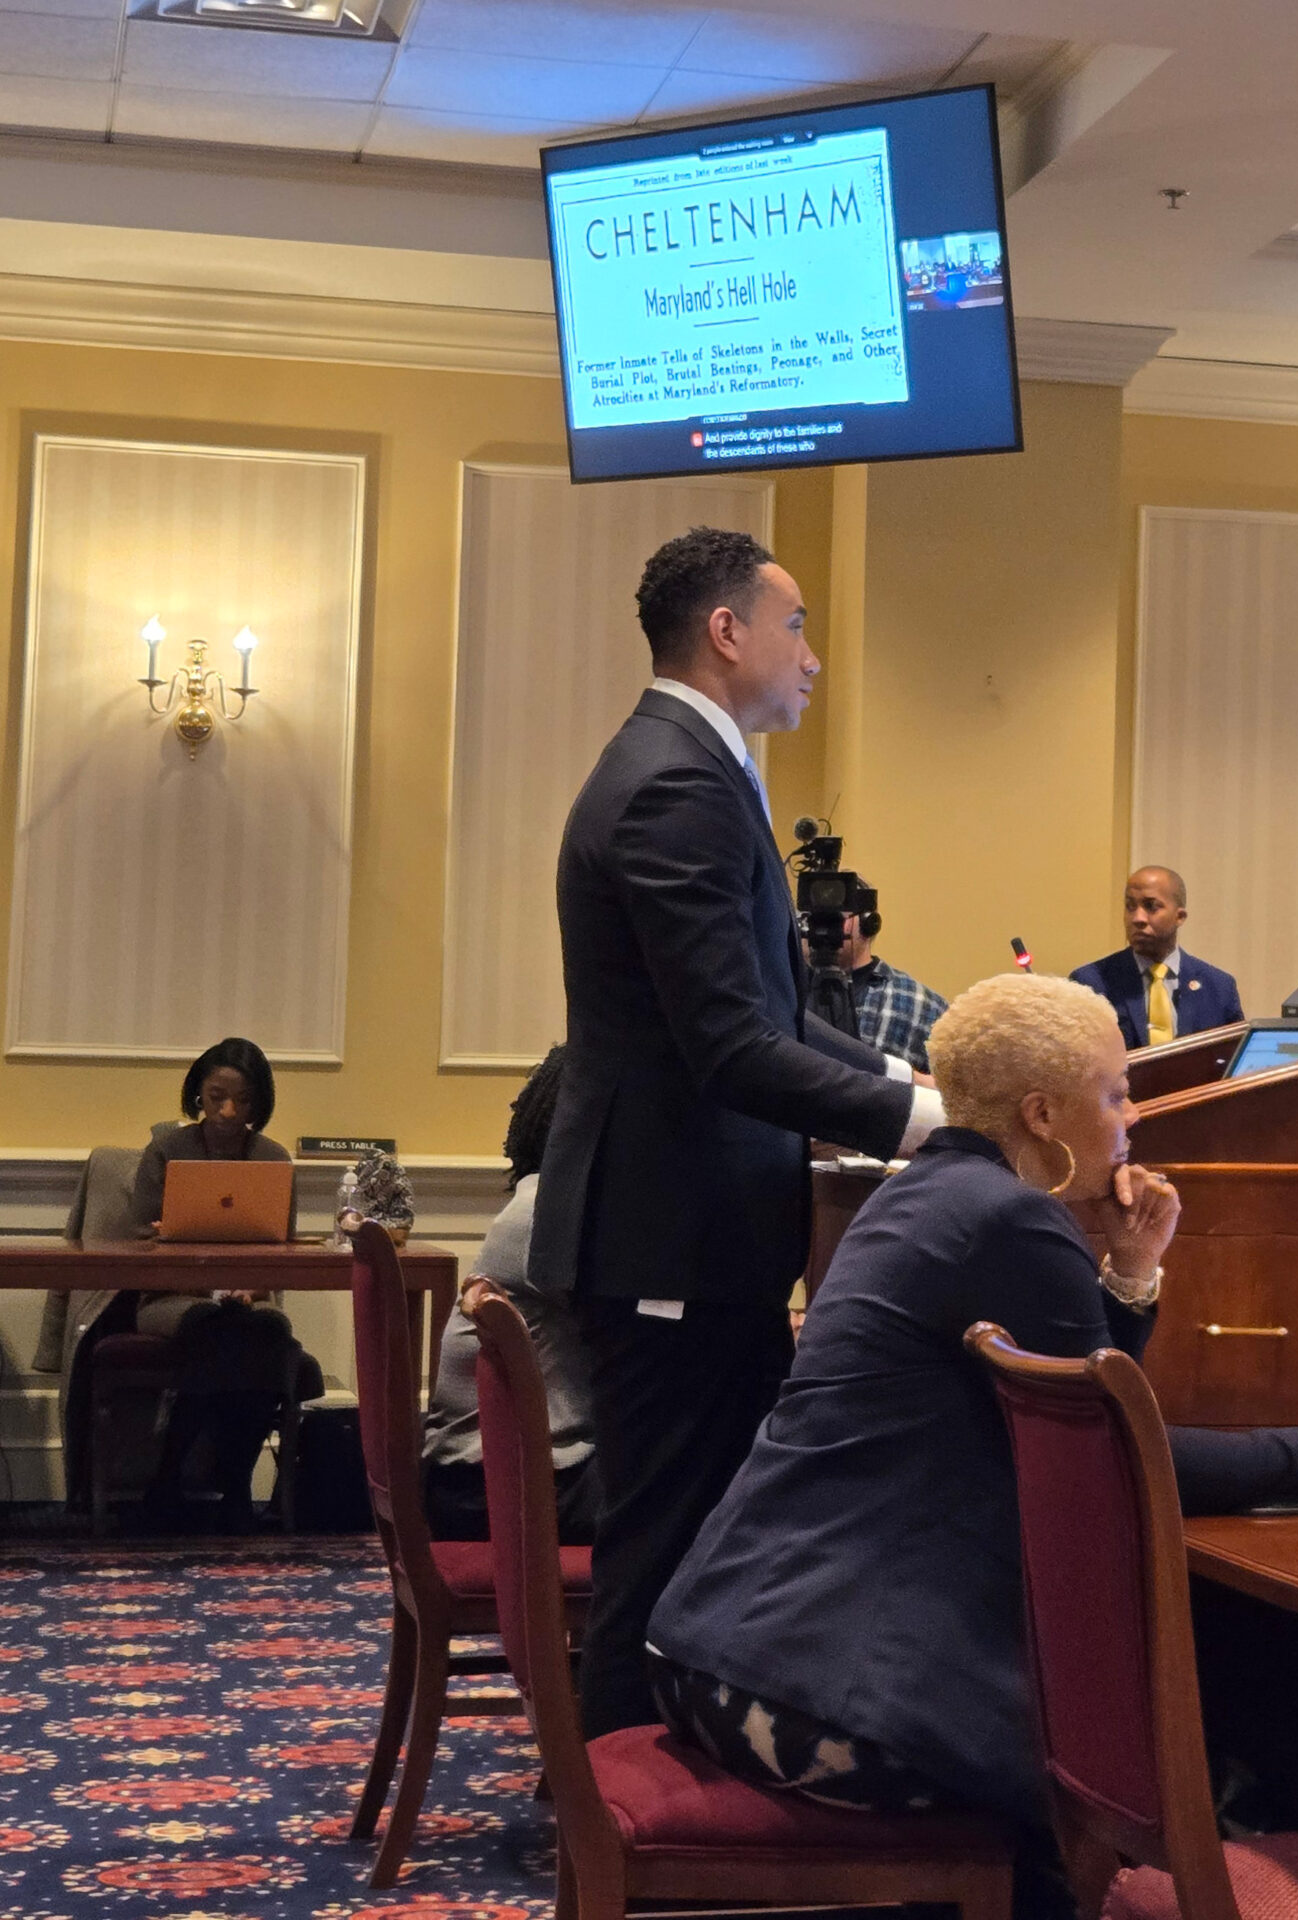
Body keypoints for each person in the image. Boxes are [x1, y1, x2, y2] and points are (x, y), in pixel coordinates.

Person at [646, 973, 1298, 1919]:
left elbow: (1079, 1412)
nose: (1133, 1117)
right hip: (823, 1701)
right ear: (1042, 1114)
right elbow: (1117, 1459)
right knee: (1262, 1739)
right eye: (1115, 1094)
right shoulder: (1010, 1218)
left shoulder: (927, 1196)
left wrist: (1132, 1268)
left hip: (723, 1653)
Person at [535, 525, 944, 1738]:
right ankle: (613, 1814)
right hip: (671, 1239)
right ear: (727, 631)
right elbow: (727, 1050)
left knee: (694, 1539)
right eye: (796, 625)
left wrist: (897, 1071)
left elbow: (769, 1014)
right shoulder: (677, 783)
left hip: (681, 1233)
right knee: (665, 1550)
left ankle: (636, 1800)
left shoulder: (690, 769)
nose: (811, 657)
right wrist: (923, 1122)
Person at [127, 1037, 309, 1528]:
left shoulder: (273, 1159)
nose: (229, 1112)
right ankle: (219, 1486)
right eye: (217, 1097)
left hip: (249, 1295)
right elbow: (136, 1234)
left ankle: (196, 1483)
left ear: (259, 1103)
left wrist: (252, 1287)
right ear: (198, 1095)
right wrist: (165, 1235)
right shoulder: (167, 1151)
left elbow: (281, 1249)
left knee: (266, 1328)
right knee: (216, 1325)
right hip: (170, 1296)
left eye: (244, 1100)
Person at [421, 1048, 598, 1544]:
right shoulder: (551, 1214)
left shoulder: (541, 1199)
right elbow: (640, 1330)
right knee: (694, 1477)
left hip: (485, 1478)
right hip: (500, 1488)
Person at [1069, 864, 1243, 1050]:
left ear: (1179, 917)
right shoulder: (1091, 983)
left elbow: (1235, 1058)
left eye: (1151, 907)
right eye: (1130, 906)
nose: (1137, 918)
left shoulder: (1218, 987)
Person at [841, 882, 950, 1072]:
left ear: (868, 923)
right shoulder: (787, 994)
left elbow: (953, 1087)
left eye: (837, 917)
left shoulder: (925, 1006)